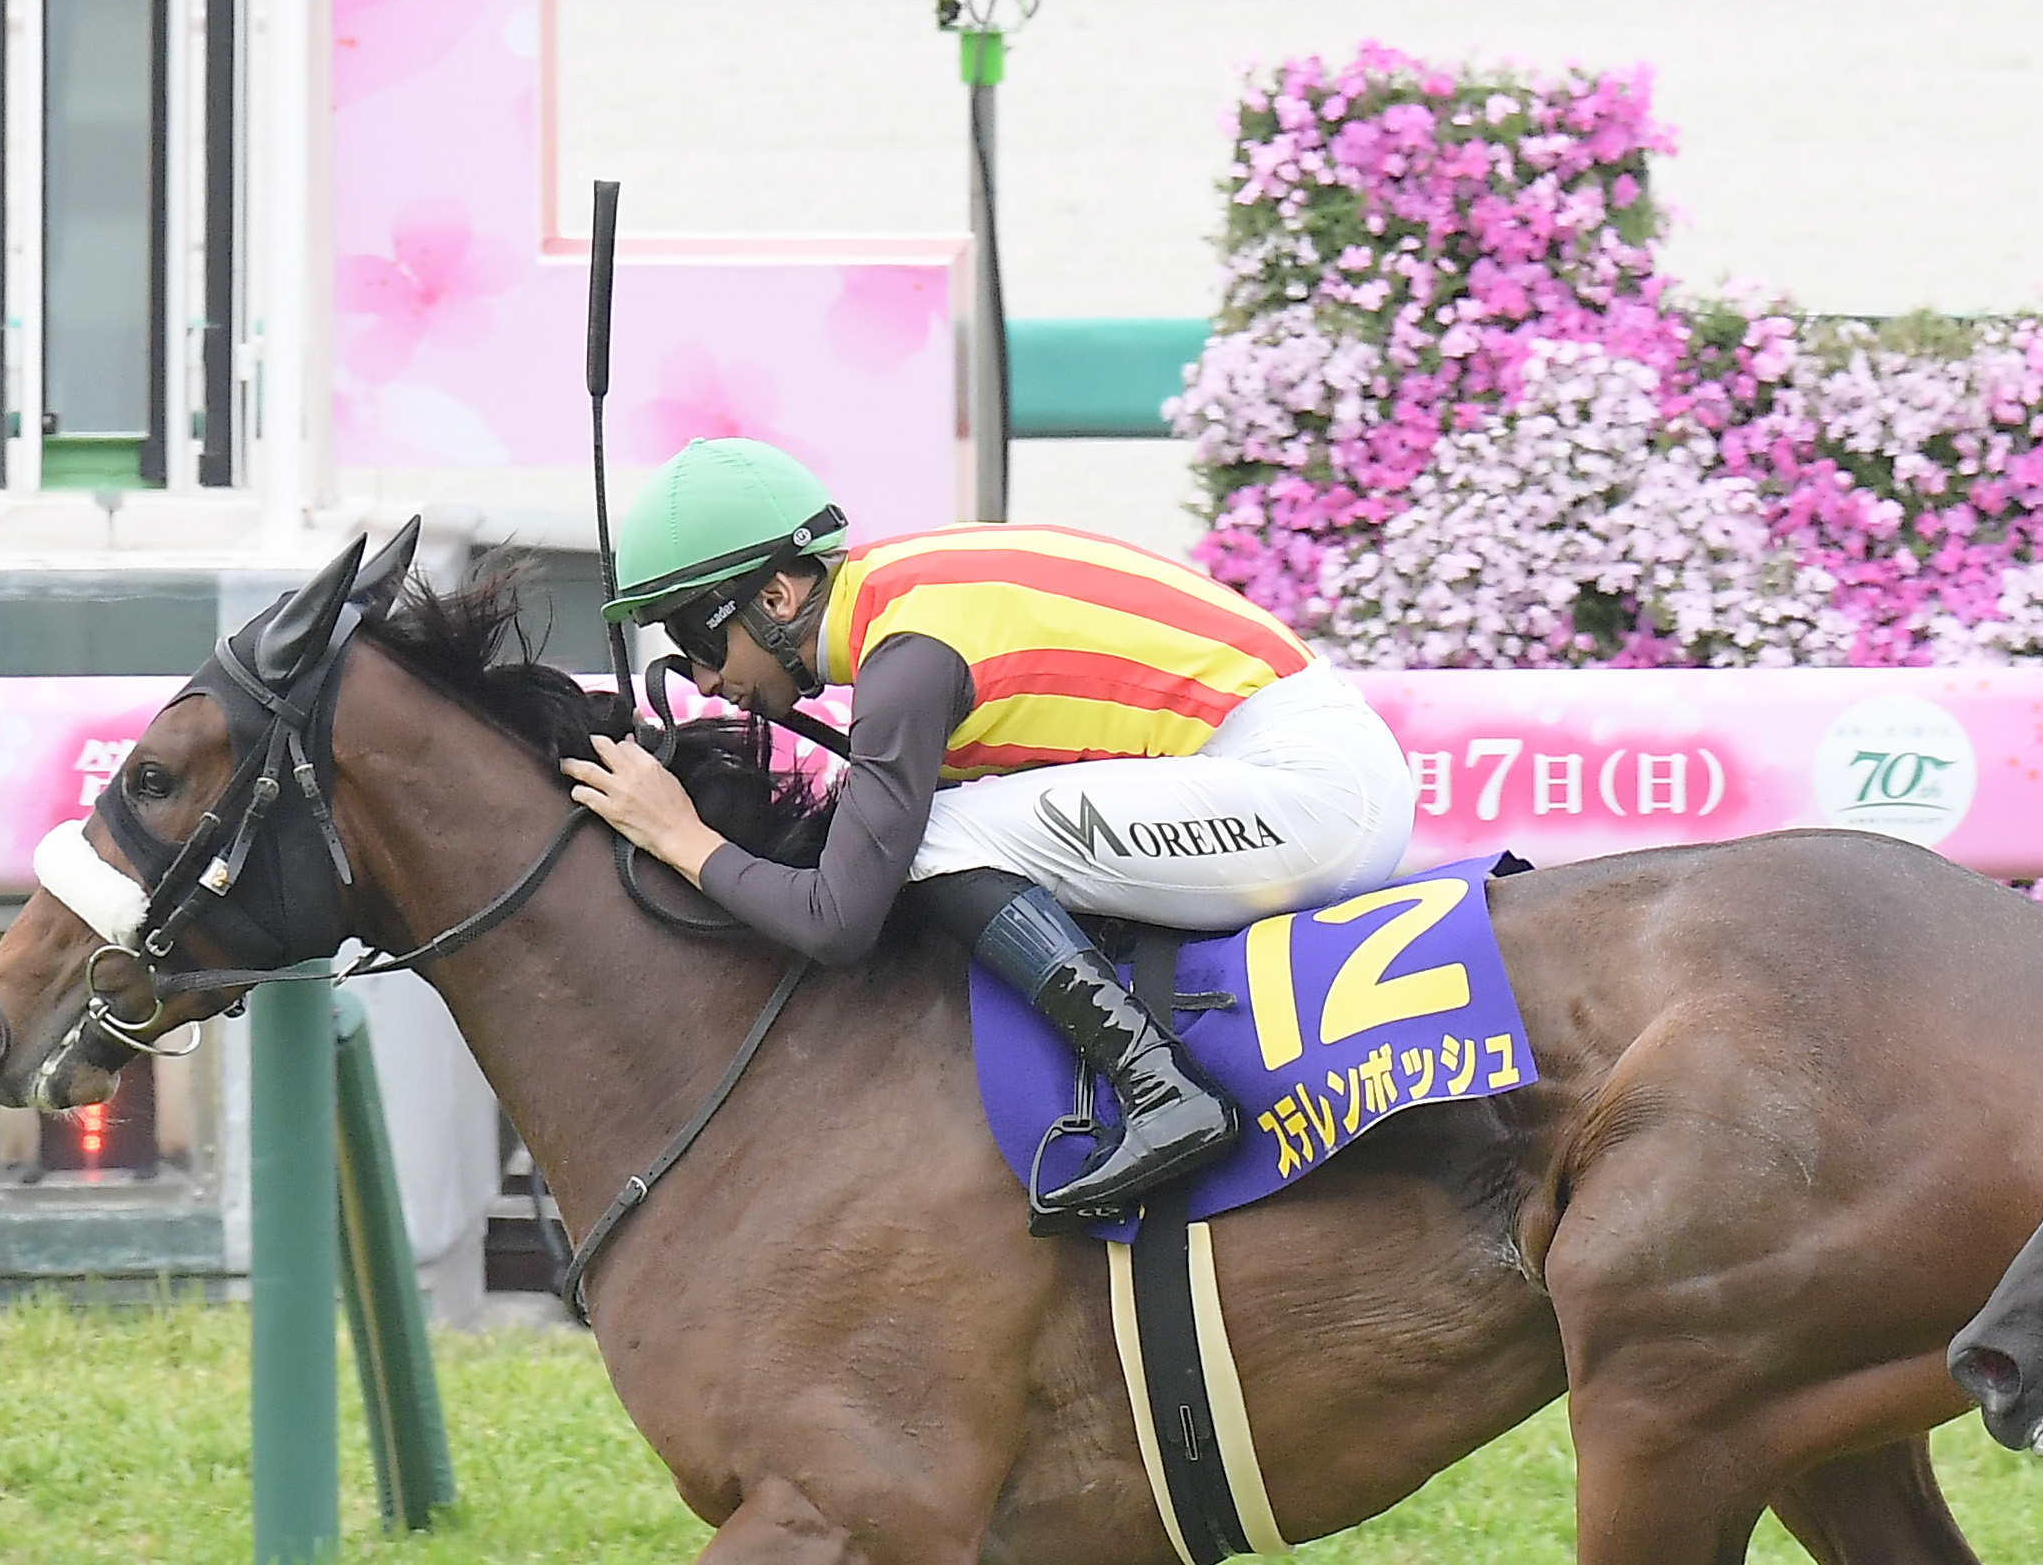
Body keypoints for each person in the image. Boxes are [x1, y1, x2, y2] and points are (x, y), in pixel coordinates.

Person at [559, 438, 1421, 1229]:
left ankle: (1162, 1089)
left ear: (778, 595)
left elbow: (837, 920)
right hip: (1309, 765)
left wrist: (679, 836)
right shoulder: (901, 598)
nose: (705, 681)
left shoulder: (908, 654)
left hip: (1307, 791)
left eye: (698, 639)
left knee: (940, 837)